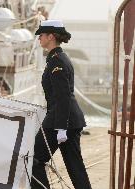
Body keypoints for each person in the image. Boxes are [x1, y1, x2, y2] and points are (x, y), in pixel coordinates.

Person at [31, 20, 92, 189]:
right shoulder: (57, 58)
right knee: (75, 167)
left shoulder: (57, 62)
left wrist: (61, 127)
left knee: (34, 159)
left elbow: (63, 97)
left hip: (61, 120)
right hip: (69, 120)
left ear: (51, 36)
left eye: (41, 35)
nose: (39, 39)